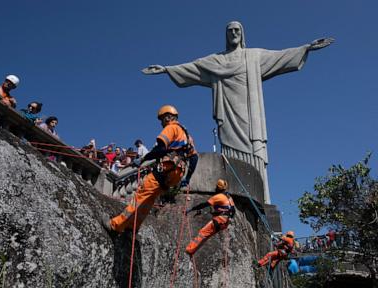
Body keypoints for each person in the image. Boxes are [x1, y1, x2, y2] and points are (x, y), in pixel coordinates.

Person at [143, 21, 333, 205]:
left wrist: (306, 48)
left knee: (255, 148)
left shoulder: (254, 56)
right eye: (230, 31)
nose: (234, 33)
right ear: (226, 36)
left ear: (242, 35)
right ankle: (232, 189)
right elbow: (193, 67)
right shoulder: (217, 60)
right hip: (228, 114)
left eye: (237, 30)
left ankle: (263, 199)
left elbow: (281, 56)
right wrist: (167, 69)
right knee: (230, 149)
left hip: (250, 113)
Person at [102, 105, 195, 233]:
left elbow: (160, 149)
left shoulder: (171, 128)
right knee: (149, 200)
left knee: (141, 196)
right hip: (176, 174)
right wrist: (187, 178)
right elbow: (194, 158)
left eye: (162, 119)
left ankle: (115, 225)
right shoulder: (187, 136)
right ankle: (132, 229)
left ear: (168, 117)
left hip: (166, 168)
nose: (161, 123)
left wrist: (143, 159)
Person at [185, 179, 235, 256]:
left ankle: (189, 250)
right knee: (206, 236)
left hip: (219, 220)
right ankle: (193, 251)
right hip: (225, 222)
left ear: (218, 188)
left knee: (203, 233)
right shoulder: (229, 197)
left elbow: (204, 204)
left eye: (216, 187)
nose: (215, 188)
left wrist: (191, 209)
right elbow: (232, 211)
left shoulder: (218, 196)